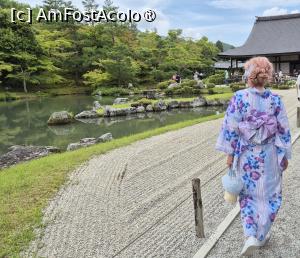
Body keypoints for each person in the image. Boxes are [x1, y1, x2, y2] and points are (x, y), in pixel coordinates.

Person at [215, 57, 292, 256]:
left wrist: (230, 155)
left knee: (248, 196)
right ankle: (262, 233)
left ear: (248, 76)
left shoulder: (239, 97)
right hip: (269, 155)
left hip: (247, 156)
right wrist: (285, 155)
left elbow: (231, 128)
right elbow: (283, 129)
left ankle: (251, 234)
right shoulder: (275, 100)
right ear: (267, 76)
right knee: (271, 195)